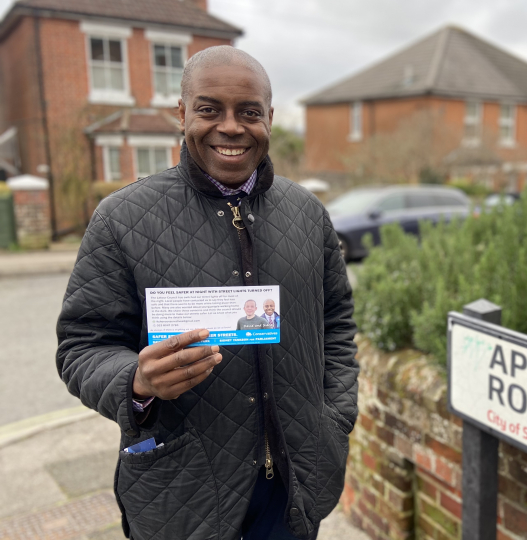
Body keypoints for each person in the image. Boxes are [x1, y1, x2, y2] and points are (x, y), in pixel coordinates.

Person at [56, 46, 358, 540]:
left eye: (249, 112)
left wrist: (335, 418)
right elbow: (81, 347)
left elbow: (338, 324)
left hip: (294, 485)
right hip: (181, 490)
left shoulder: (308, 215)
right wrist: (135, 381)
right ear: (182, 114)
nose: (231, 126)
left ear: (269, 118)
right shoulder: (121, 218)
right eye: (209, 109)